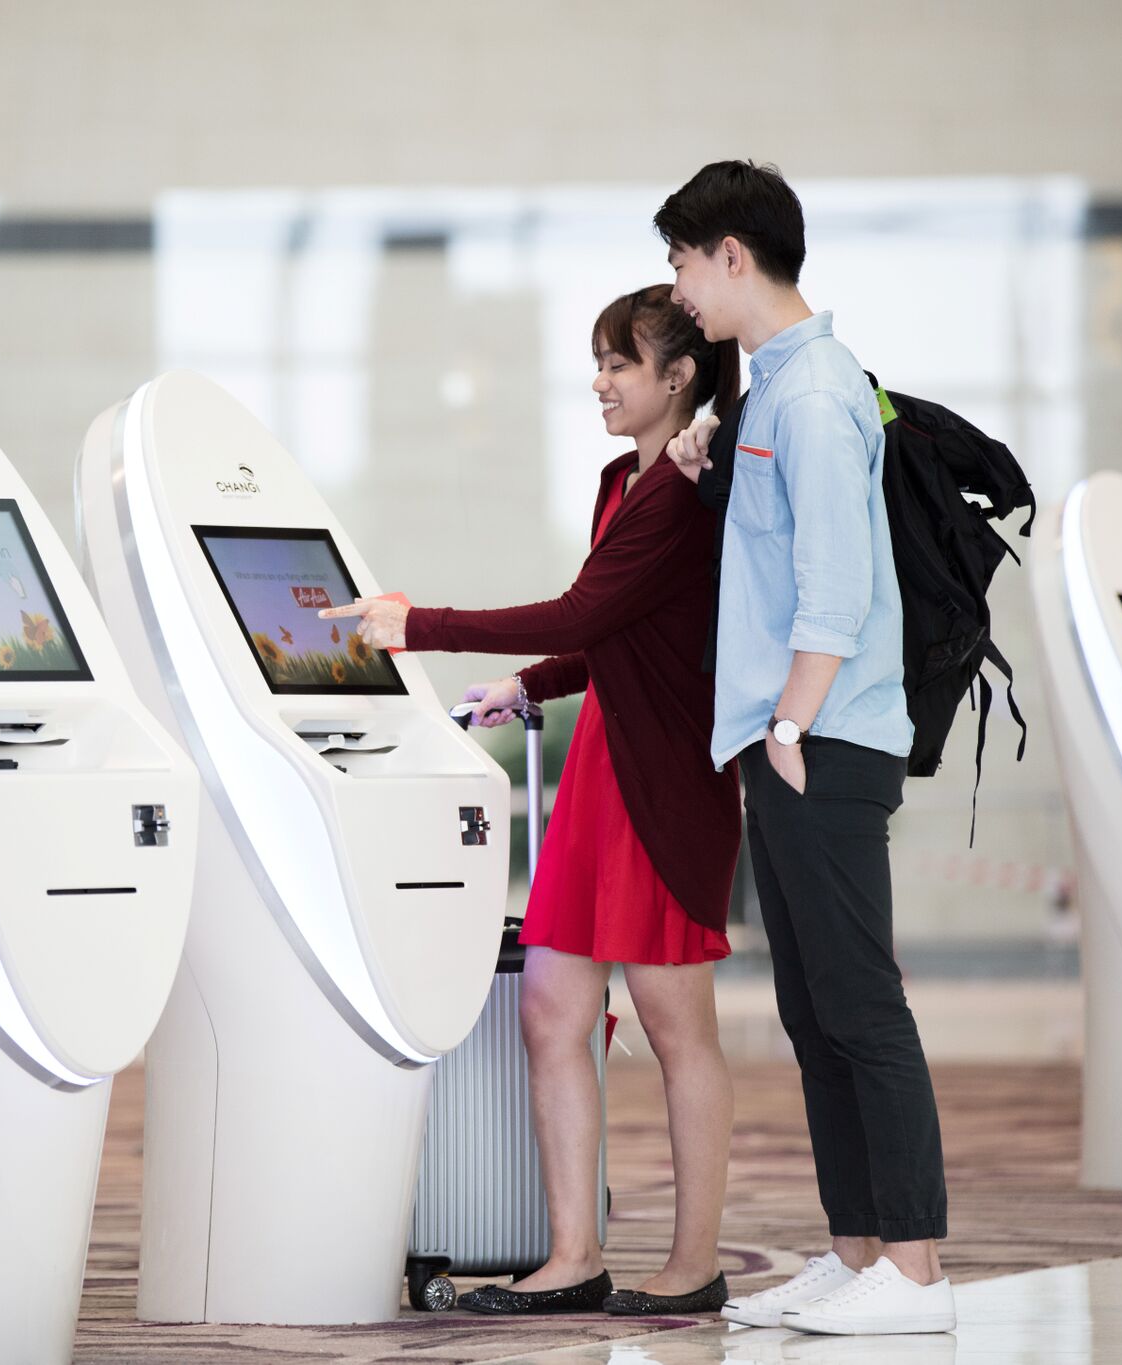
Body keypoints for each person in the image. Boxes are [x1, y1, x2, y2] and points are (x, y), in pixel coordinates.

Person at [322, 284, 742, 1317]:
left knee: (673, 1025)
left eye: (618, 364)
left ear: (677, 376)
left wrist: (417, 625)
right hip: (604, 768)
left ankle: (692, 1267)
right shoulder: (624, 482)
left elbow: (585, 607)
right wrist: (531, 684)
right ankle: (570, 1257)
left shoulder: (683, 498)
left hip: (662, 781)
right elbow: (611, 634)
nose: (598, 382)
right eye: (597, 362)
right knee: (552, 1009)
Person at [657, 160, 955, 1337]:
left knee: (860, 1004)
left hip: (816, 737)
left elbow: (832, 583)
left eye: (684, 263)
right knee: (812, 1006)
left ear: (732, 253)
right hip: (784, 737)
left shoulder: (816, 394)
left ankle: (917, 1275)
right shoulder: (771, 391)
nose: (678, 290)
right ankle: (856, 1252)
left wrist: (789, 722)